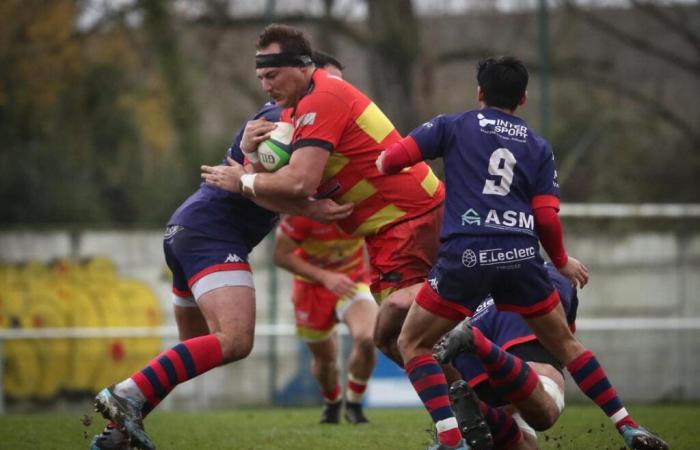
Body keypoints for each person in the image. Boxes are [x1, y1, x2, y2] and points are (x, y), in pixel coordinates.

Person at [377, 56, 668, 450]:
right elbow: (546, 218)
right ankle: (629, 426)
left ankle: (450, 438)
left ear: (479, 92)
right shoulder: (538, 146)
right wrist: (561, 261)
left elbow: (391, 161)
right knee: (567, 345)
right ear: (524, 98)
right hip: (520, 256)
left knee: (413, 343)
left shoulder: (453, 125)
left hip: (466, 254)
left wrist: (386, 160)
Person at [89, 53, 352, 450]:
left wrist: (302, 200)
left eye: (341, 87)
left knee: (194, 349)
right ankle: (126, 394)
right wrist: (305, 203)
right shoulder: (281, 121)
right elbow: (266, 183)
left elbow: (267, 183)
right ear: (306, 76)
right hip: (211, 233)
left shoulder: (302, 124)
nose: (337, 94)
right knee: (235, 339)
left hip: (187, 229)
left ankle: (115, 438)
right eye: (329, 83)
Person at [201, 24, 445, 372]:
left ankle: (480, 412)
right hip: (395, 227)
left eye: (273, 75)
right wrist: (249, 155)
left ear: (302, 66)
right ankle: (485, 411)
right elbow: (279, 190)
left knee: (401, 336)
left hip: (406, 221)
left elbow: (298, 182)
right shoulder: (290, 116)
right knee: (401, 337)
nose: (266, 86)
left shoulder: (322, 99)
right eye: (260, 78)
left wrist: (244, 181)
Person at [435, 264, 577, 450]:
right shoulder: (552, 272)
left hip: (465, 354)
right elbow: (564, 341)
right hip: (512, 322)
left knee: (524, 443)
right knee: (545, 414)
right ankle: (478, 348)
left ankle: (482, 411)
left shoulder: (445, 281)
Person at [274, 214, 378, 424]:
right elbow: (280, 256)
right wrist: (325, 277)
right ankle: (332, 402)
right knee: (325, 360)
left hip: (352, 282)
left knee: (368, 338)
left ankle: (354, 405)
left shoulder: (363, 203)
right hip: (310, 289)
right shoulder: (304, 212)